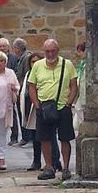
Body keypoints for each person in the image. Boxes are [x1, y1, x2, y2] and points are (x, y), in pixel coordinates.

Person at [28, 39, 79, 180]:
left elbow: (74, 85)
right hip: (44, 106)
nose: (50, 54)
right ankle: (49, 167)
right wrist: (37, 105)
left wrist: (69, 103)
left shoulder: (67, 65)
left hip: (62, 106)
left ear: (58, 50)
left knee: (65, 138)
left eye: (53, 51)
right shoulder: (37, 65)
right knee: (44, 138)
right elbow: (31, 86)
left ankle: (66, 168)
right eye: (47, 51)